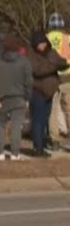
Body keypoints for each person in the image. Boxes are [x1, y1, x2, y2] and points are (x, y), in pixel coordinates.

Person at [0, 35, 33, 161]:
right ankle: (15, 153)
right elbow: (28, 82)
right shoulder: (24, 62)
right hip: (18, 98)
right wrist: (27, 97)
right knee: (16, 127)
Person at [28, 30, 69, 157]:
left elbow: (63, 62)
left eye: (44, 42)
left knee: (45, 119)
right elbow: (37, 70)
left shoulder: (51, 53)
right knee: (38, 120)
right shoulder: (32, 56)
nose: (42, 45)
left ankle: (42, 143)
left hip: (50, 92)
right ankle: (37, 148)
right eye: (39, 43)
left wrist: (56, 64)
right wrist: (53, 66)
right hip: (38, 91)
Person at [46, 12, 70, 149]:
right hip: (68, 77)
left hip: (52, 77)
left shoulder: (46, 38)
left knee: (53, 110)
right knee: (69, 109)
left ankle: (54, 140)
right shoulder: (68, 38)